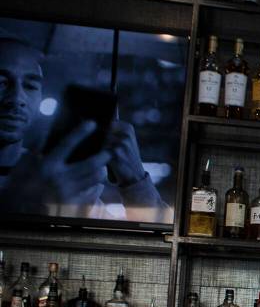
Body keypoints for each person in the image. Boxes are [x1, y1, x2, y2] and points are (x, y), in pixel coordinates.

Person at [0, 34, 170, 222]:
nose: (17, 98)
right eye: (1, 83)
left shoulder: (57, 178)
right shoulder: (48, 183)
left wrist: (136, 182)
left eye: (30, 85)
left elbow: (142, 243)